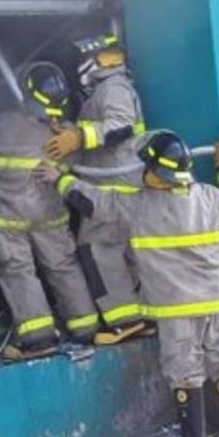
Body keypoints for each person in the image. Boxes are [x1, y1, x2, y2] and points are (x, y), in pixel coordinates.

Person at [37, 131, 219, 437]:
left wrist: (60, 179)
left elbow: (94, 203)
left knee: (185, 372)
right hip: (215, 305)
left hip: (175, 311)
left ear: (157, 172)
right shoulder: (209, 199)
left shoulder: (140, 206)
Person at [0, 61, 101, 361]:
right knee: (64, 268)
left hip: (6, 220)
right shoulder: (65, 135)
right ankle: (86, 328)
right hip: (50, 217)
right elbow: (79, 165)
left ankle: (38, 339)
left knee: (19, 273)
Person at [45, 34, 151, 346]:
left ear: (95, 59)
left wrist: (79, 137)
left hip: (114, 188)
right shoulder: (104, 90)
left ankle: (125, 321)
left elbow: (120, 126)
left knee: (97, 251)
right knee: (125, 255)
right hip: (115, 185)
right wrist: (73, 133)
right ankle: (141, 318)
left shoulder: (113, 87)